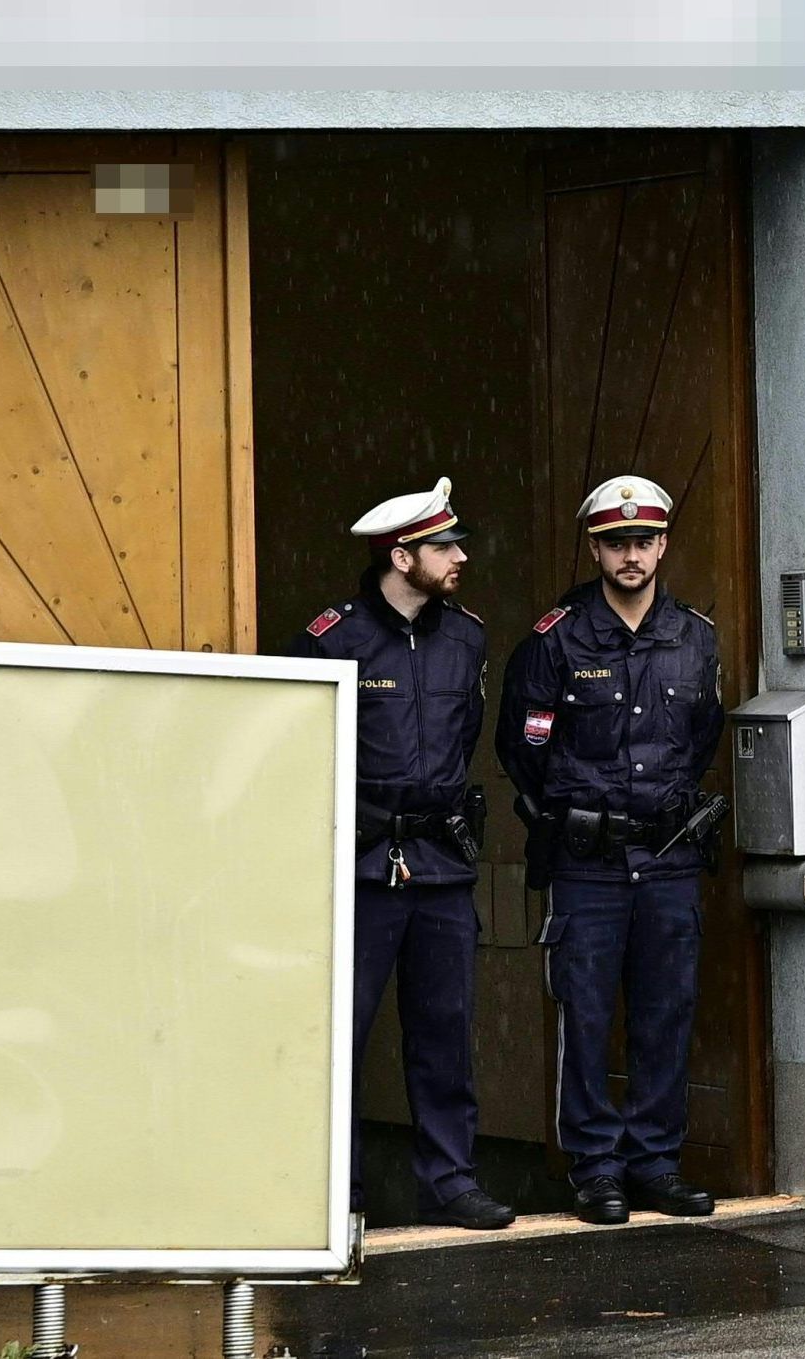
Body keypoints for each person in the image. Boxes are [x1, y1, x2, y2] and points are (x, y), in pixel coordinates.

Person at [503, 475, 727, 1225]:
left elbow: (701, 740)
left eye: (643, 540)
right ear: (594, 547)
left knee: (666, 1012)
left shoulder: (695, 636)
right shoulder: (555, 638)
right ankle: (596, 1168)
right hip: (588, 862)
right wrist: (580, 807)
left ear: (663, 544)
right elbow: (522, 745)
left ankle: (655, 1162)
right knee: (588, 1014)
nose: (631, 554)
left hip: (666, 857)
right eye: (616, 542)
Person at [291, 478, 511, 1231]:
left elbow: (466, 737)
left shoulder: (468, 636)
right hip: (359, 864)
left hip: (442, 863)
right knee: (339, 1036)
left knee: (445, 1031)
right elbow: (303, 752)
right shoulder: (334, 637)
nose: (459, 558)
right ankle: (335, 1195)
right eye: (445, 546)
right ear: (401, 553)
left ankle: (449, 1182)